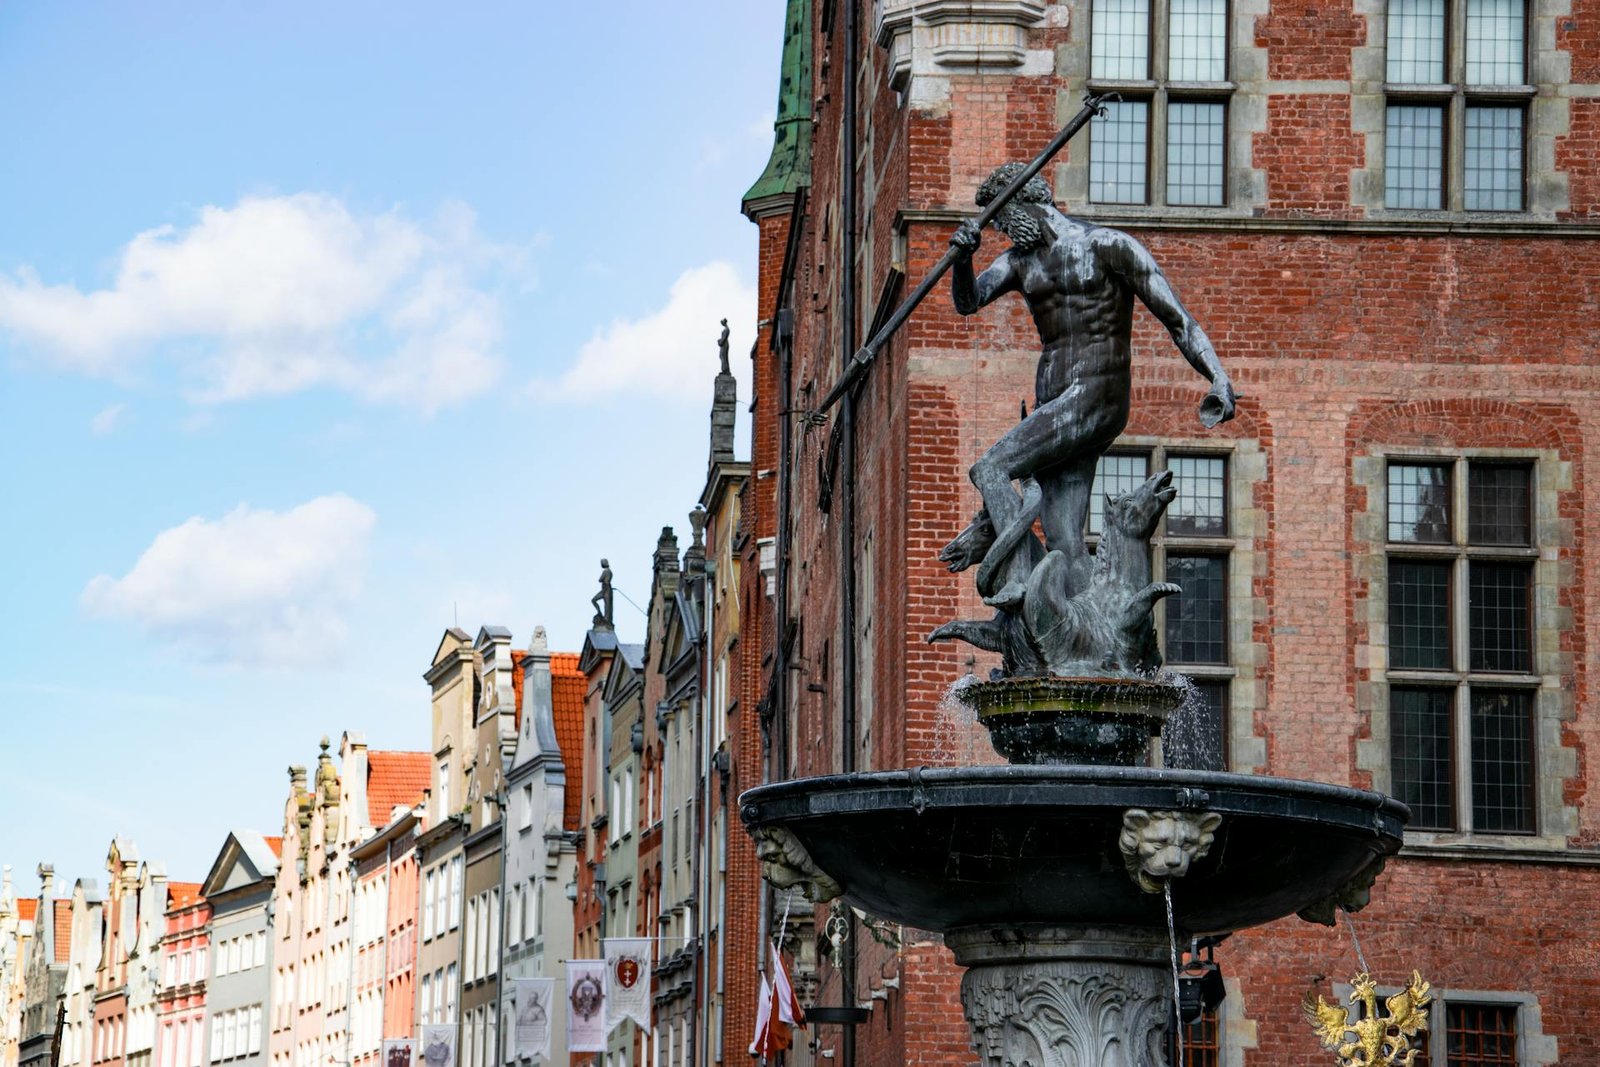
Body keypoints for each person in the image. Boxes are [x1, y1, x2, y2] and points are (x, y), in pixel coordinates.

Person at [942, 162, 1236, 606]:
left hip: (1097, 392)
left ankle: (1016, 576)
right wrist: (963, 258)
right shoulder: (1020, 263)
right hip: (1055, 400)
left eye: (1002, 220)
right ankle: (1085, 632)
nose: (1003, 231)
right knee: (1063, 535)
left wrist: (1217, 375)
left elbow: (1177, 319)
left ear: (1024, 201)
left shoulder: (1109, 246)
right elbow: (969, 302)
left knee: (991, 468)